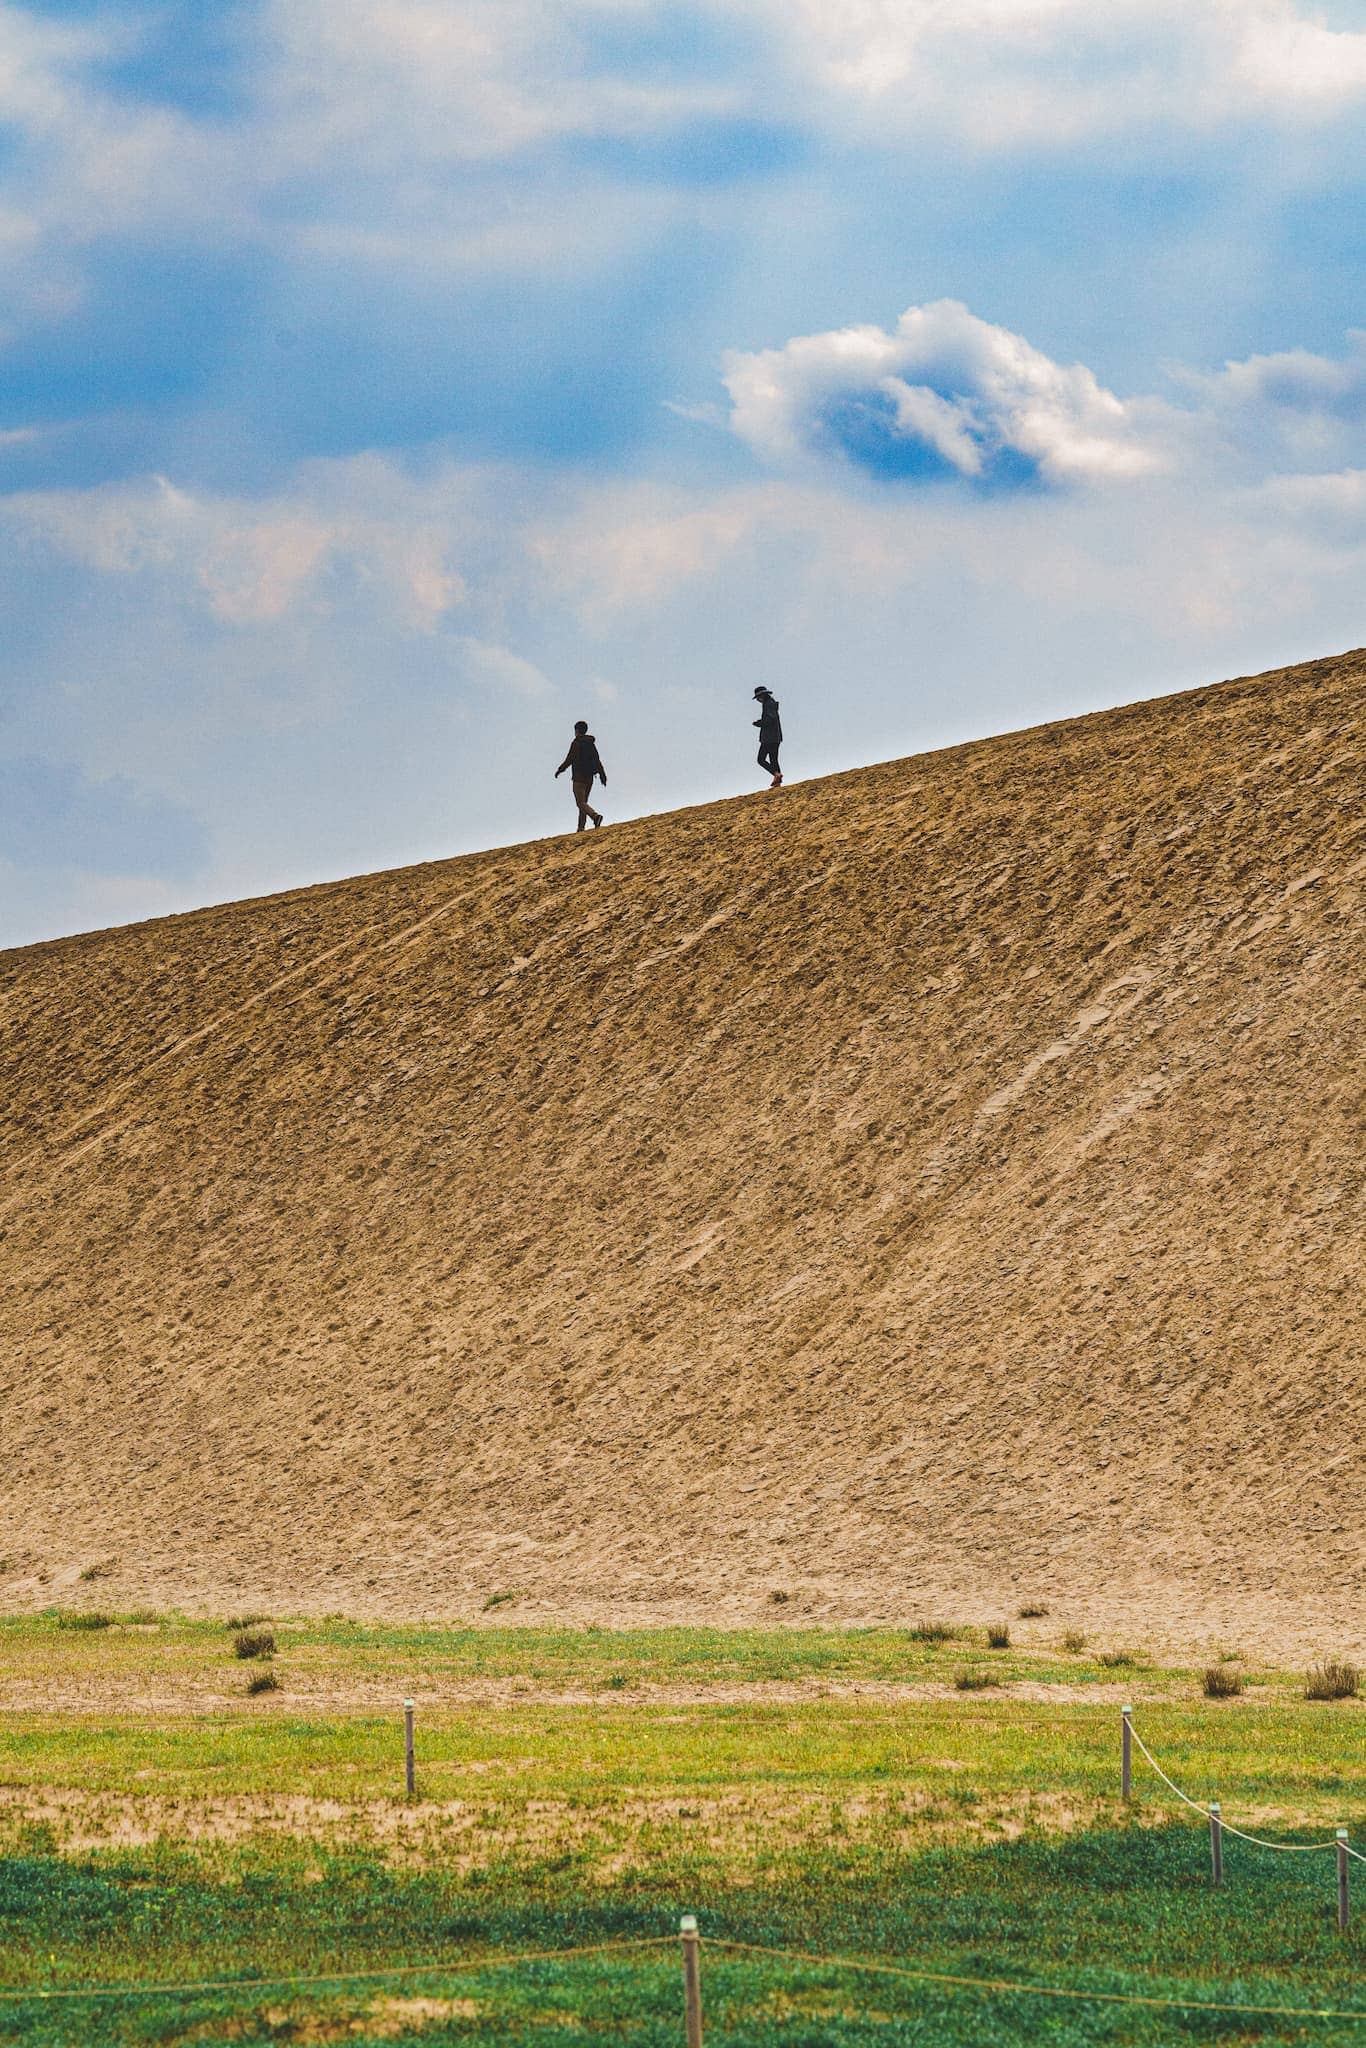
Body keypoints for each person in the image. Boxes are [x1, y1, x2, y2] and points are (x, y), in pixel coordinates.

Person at [554, 720, 606, 831]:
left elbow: (569, 759)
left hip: (579, 777)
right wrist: (602, 775)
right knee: (584, 803)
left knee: (580, 803)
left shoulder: (576, 743)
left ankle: (595, 816)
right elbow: (597, 760)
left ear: (577, 730)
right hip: (590, 778)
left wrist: (560, 770)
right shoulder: (590, 743)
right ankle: (581, 828)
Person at [753, 687, 783, 787]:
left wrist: (759, 723)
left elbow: (770, 720)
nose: (758, 700)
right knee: (773, 759)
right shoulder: (771, 703)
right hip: (775, 737)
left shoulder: (768, 704)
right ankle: (777, 782)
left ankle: (776, 774)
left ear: (762, 696)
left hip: (769, 737)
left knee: (761, 759)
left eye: (758, 697)